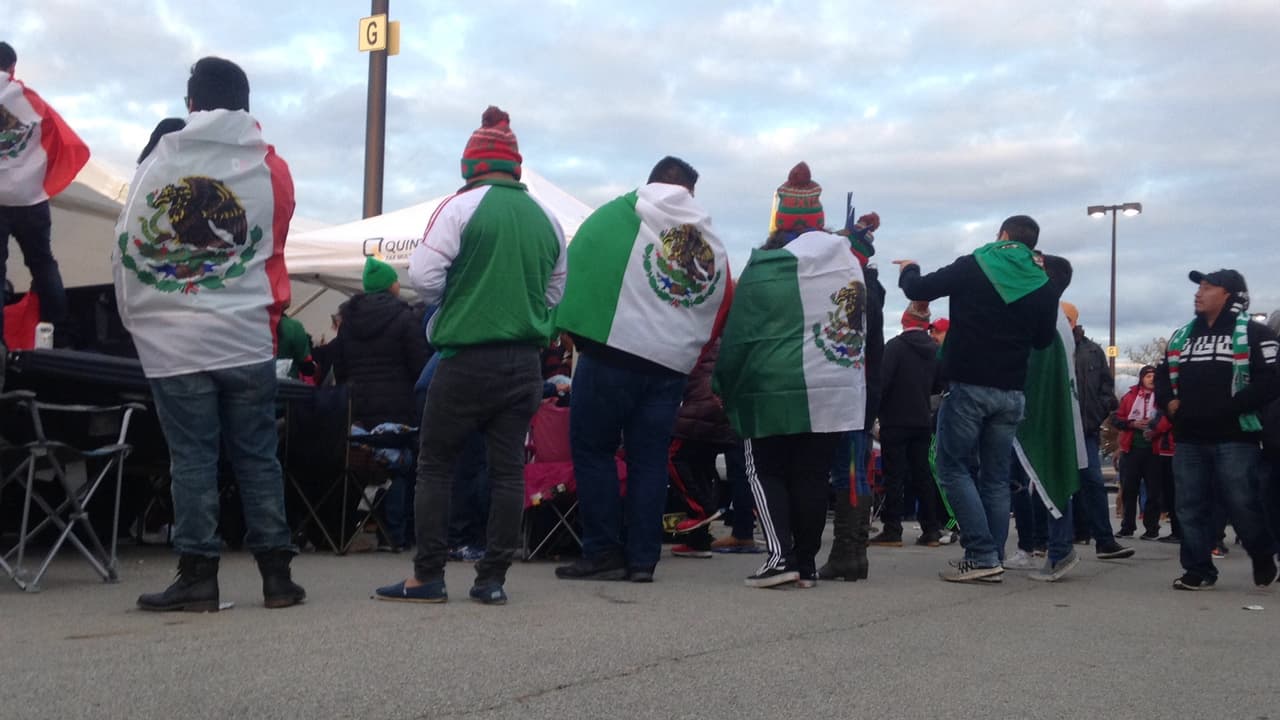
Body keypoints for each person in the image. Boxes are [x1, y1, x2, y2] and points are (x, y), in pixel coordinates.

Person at [116, 57, 304, 611]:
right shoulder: (272, 167)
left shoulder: (161, 158)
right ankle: (277, 577)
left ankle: (198, 575)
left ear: (191, 104)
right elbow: (274, 240)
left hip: (176, 339)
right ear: (245, 105)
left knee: (193, 459)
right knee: (257, 457)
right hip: (245, 335)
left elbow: (128, 237)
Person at [376, 106, 566, 605]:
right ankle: (492, 579)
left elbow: (422, 276)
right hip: (525, 362)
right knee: (507, 470)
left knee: (435, 464)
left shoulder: (459, 207)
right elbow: (554, 292)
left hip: (465, 359)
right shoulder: (547, 218)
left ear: (469, 166)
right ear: (516, 167)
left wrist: (459, 301)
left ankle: (428, 575)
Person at [553, 156, 732, 583]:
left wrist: (573, 330)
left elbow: (576, 263)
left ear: (652, 181)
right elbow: (720, 300)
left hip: (611, 355)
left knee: (594, 451)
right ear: (690, 190)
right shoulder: (711, 240)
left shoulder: (619, 215)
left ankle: (602, 551)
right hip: (669, 366)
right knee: (649, 461)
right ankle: (643, 558)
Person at [713, 162, 871, 588]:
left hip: (770, 389)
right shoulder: (849, 267)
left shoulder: (765, 266)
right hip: (832, 389)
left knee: (763, 469)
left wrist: (723, 384)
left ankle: (779, 558)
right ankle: (804, 563)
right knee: (811, 475)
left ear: (779, 219)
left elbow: (738, 334)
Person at [896, 215, 1059, 583]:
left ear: (1002, 235)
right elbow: (1043, 341)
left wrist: (910, 269)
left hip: (969, 384)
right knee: (997, 479)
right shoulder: (1041, 283)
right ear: (1031, 244)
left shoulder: (975, 264)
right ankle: (991, 555)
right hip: (1012, 391)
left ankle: (983, 554)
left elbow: (918, 287)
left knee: (952, 467)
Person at [1154, 269, 1280, 590]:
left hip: (1236, 436)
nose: (1199, 293)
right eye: (1199, 288)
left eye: (1208, 287)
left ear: (1229, 294)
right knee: (1188, 506)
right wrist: (1169, 404)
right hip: (1189, 437)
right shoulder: (1182, 336)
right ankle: (1198, 570)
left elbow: (1271, 380)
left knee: (1243, 502)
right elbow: (1162, 376)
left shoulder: (1257, 334)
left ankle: (1263, 552)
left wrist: (1228, 407)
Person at [331, 256, 431, 550]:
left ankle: (362, 527)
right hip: (400, 406)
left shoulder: (348, 322)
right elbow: (419, 365)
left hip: (360, 407)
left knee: (368, 464)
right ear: (391, 286)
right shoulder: (405, 318)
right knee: (401, 465)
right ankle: (398, 534)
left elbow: (340, 365)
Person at [0, 41, 89, 349]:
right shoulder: (28, 100)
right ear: (12, 68)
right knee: (42, 263)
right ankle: (59, 330)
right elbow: (60, 137)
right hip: (31, 200)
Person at [1061, 304, 1134, 558]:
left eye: (1066, 318)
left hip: (1086, 429)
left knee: (1092, 482)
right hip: (1057, 429)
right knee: (1056, 485)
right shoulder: (1046, 345)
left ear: (1073, 321)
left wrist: (1097, 414)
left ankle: (1104, 540)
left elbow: (1106, 388)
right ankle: (1049, 541)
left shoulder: (1093, 351)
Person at [871, 301, 942, 547]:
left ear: (904, 321)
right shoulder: (933, 349)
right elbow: (939, 383)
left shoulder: (895, 347)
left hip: (896, 420)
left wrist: (877, 413)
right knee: (923, 474)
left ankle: (893, 529)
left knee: (894, 476)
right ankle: (931, 529)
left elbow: (883, 382)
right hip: (923, 419)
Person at [1113, 366, 1165, 540]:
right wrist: (1132, 424)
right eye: (1148, 376)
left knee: (1153, 491)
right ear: (1141, 378)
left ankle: (1152, 528)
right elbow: (1117, 419)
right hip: (1132, 448)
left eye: (1154, 376)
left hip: (1154, 450)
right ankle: (1127, 526)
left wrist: (1154, 426)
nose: (1151, 379)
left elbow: (1169, 418)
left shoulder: (1162, 397)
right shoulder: (1129, 397)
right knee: (1129, 490)